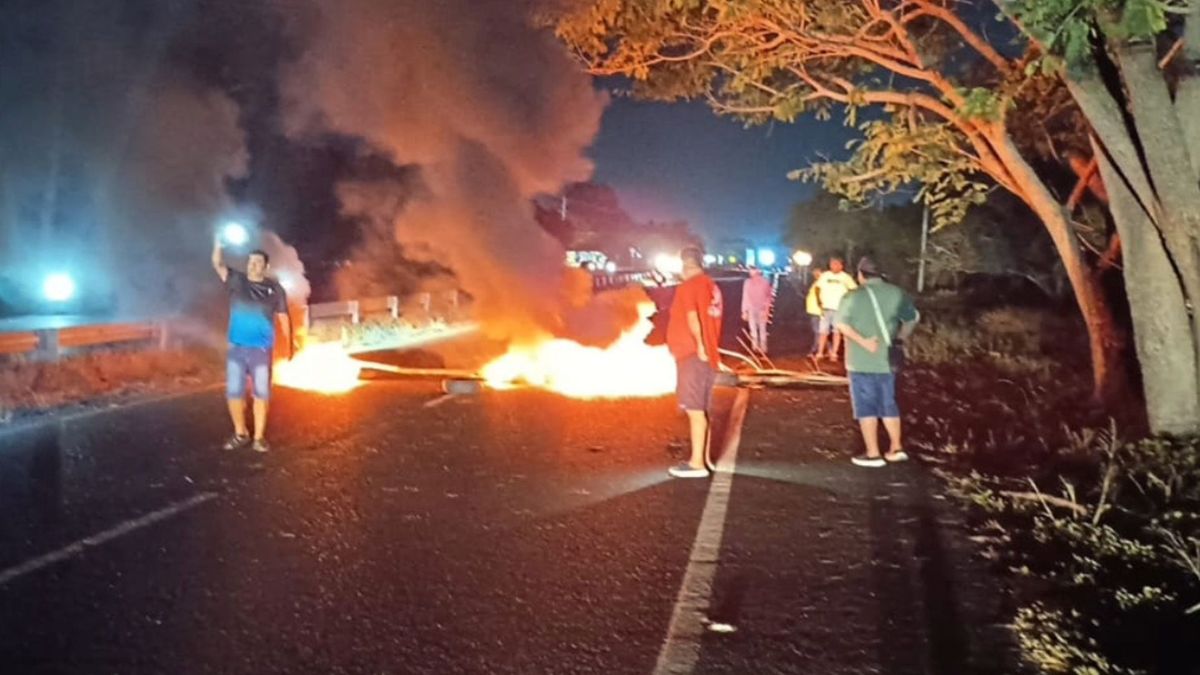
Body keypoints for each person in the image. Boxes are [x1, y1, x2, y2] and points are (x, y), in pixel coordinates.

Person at [834, 257, 920, 468]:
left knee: (866, 406)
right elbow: (912, 318)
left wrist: (863, 341)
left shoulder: (853, 296)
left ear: (861, 274)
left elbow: (840, 324)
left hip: (861, 361)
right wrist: (899, 339)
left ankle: (873, 454)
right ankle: (895, 448)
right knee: (888, 402)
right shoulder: (896, 293)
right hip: (887, 360)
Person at [212, 236, 293, 453]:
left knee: (261, 394)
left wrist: (290, 343)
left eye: (258, 262)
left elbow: (284, 316)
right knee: (234, 393)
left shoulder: (275, 289)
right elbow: (218, 264)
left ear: (266, 266)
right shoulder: (237, 280)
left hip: (261, 349)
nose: (253, 265)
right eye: (251, 262)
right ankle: (240, 433)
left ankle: (259, 438)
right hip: (236, 348)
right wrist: (218, 244)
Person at [666, 246, 724, 478]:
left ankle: (697, 464)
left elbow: (692, 317)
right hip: (708, 356)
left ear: (685, 264)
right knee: (702, 409)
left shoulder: (688, 286)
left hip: (692, 355)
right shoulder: (712, 286)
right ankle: (704, 459)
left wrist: (699, 345)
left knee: (694, 409)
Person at [814, 257, 857, 361]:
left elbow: (854, 290)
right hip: (826, 308)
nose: (834, 266)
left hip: (839, 309)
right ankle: (820, 352)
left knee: (836, 332)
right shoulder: (825, 276)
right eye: (832, 264)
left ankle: (834, 353)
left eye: (836, 264)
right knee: (823, 331)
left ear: (841, 266)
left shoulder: (846, 277)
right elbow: (817, 288)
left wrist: (848, 304)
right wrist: (819, 302)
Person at [741, 266, 774, 353]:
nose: (750, 272)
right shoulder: (764, 281)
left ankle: (756, 348)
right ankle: (762, 348)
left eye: (751, 271)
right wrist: (767, 309)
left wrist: (744, 311)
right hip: (759, 309)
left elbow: (746, 297)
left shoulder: (749, 282)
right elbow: (768, 297)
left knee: (755, 329)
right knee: (761, 328)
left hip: (755, 309)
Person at [804, 266, 825, 356]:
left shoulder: (821, 283)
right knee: (819, 331)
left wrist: (821, 306)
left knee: (818, 331)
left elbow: (820, 296)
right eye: (814, 272)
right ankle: (825, 348)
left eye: (817, 272)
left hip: (818, 311)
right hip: (814, 310)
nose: (815, 274)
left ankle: (816, 349)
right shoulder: (817, 282)